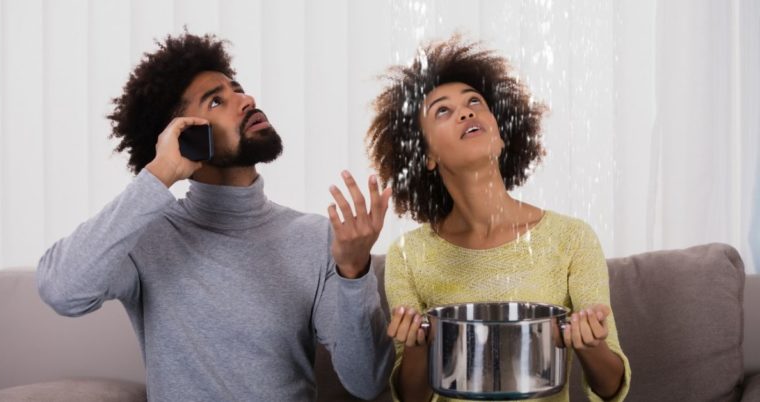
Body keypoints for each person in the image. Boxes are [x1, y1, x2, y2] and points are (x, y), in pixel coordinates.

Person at [37, 32, 393, 401]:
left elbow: (366, 382)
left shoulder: (317, 237)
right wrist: (160, 174)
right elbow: (60, 290)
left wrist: (354, 273)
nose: (246, 100)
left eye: (237, 89)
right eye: (216, 101)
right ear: (185, 137)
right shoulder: (148, 239)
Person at [365, 37, 631, 402]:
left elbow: (611, 386)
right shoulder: (408, 255)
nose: (466, 112)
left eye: (475, 101)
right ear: (426, 154)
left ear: (501, 133)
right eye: (443, 111)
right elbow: (411, 398)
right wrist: (416, 345)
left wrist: (590, 344)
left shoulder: (572, 238)